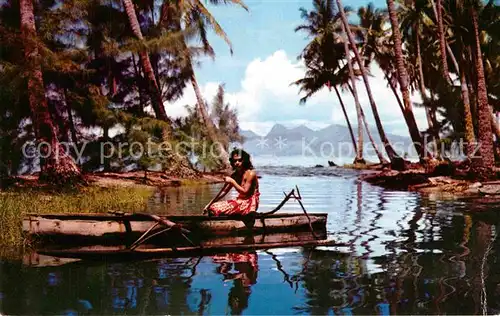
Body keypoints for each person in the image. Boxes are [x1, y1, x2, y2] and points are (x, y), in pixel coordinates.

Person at [205, 148, 260, 216]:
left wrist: (232, 181)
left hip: (250, 204)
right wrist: (209, 204)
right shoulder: (234, 175)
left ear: (244, 161)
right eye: (235, 161)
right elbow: (223, 191)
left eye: (239, 160)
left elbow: (245, 192)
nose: (237, 163)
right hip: (240, 201)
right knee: (212, 207)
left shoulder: (250, 174)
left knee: (216, 209)